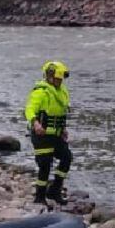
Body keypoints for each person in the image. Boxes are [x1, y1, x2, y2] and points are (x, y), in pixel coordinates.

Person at [25, 60, 73, 207]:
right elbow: (29, 110)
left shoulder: (62, 92)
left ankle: (55, 190)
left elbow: (61, 112)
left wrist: (63, 128)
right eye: (57, 79)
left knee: (66, 158)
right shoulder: (40, 92)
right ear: (49, 76)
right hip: (42, 135)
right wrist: (36, 123)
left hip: (56, 135)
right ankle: (40, 196)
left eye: (61, 79)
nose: (59, 82)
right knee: (45, 165)